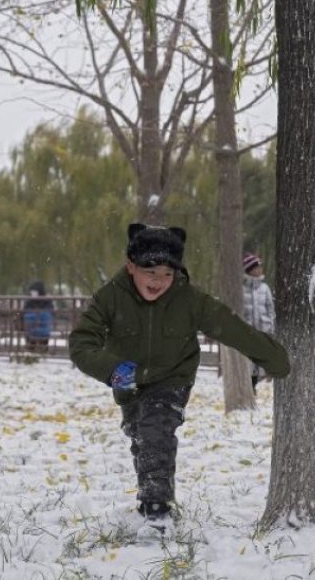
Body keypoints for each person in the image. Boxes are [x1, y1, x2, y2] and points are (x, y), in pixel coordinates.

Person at [69, 223, 289, 535]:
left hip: (173, 377)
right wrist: (112, 369)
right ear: (131, 266)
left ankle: (156, 509)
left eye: (167, 274)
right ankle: (151, 487)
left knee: (156, 427)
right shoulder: (110, 298)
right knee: (140, 433)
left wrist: (274, 360)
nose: (159, 281)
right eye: (151, 272)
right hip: (127, 381)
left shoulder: (188, 299)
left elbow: (231, 327)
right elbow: (81, 343)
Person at [242, 251, 276, 393]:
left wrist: (271, 326)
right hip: (248, 331)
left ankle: (255, 386)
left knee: (259, 362)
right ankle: (250, 388)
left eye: (260, 267)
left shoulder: (264, 288)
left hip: (263, 330)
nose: (260, 270)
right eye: (257, 267)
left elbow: (270, 309)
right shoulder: (242, 289)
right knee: (249, 361)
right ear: (250, 269)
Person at [20, 280, 55, 353]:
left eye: (34, 291)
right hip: (31, 329)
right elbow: (23, 314)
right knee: (30, 342)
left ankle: (43, 351)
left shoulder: (46, 301)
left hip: (42, 328)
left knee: (43, 340)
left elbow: (49, 315)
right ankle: (31, 352)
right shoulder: (29, 301)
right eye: (32, 291)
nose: (33, 293)